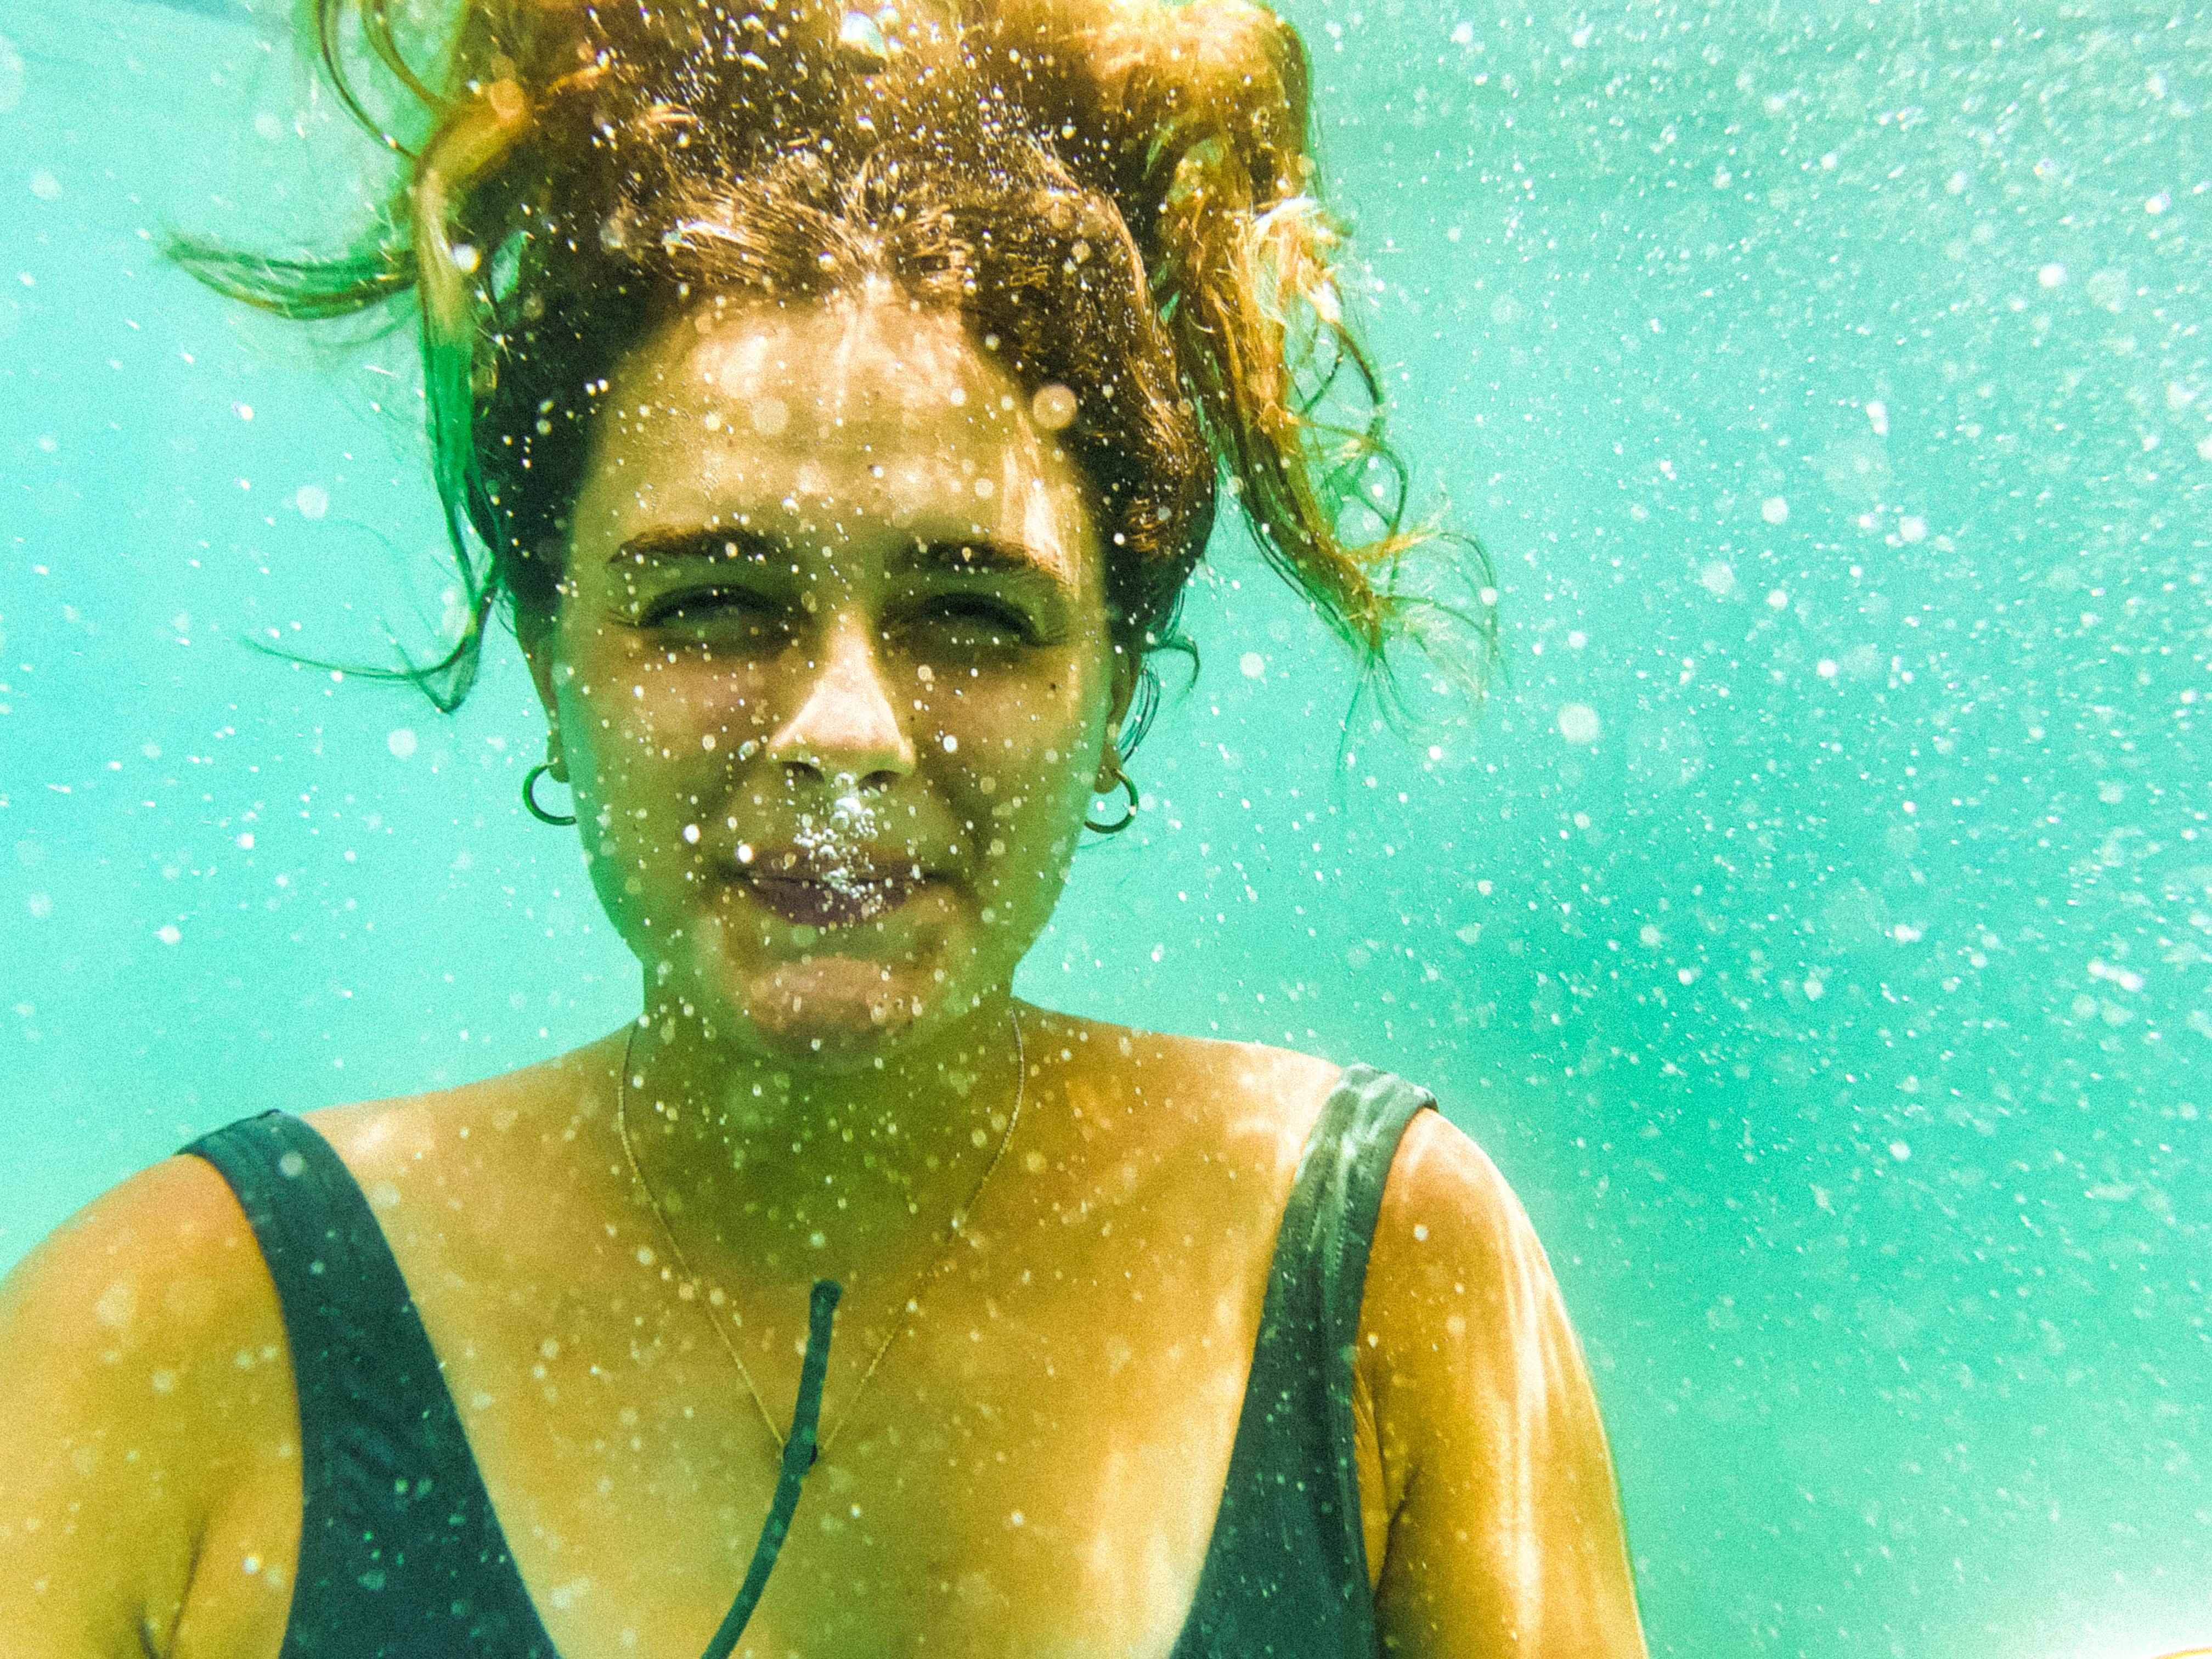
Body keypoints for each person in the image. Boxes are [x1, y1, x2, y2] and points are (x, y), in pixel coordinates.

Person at [0, 1, 1648, 1652]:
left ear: (1116, 692)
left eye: (972, 615)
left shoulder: (1390, 1284)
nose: (845, 735)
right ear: (548, 658)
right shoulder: (166, 1341)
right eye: (713, 604)